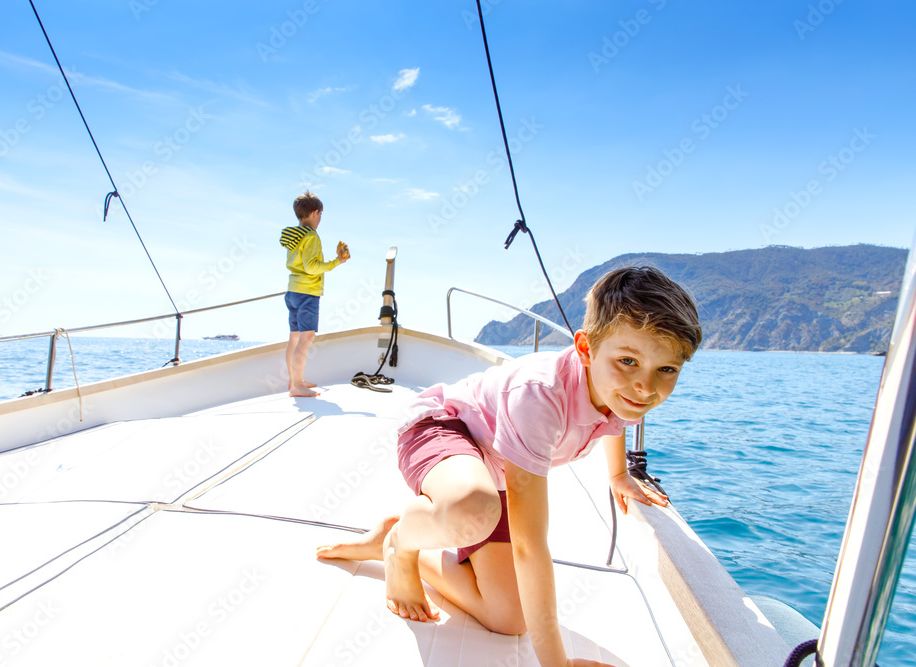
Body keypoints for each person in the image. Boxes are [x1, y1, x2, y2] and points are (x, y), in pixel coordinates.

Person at [316, 266, 701, 667]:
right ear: (585, 349)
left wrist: (618, 475)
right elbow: (529, 545)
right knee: (473, 507)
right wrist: (557, 663)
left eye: (667, 370)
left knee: (510, 618)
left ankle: (391, 535)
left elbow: (617, 421)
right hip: (442, 427)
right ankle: (402, 544)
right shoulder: (539, 397)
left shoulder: (623, 390)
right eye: (628, 361)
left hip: (496, 469)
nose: (646, 387)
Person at [280, 191, 349, 397]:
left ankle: (294, 380)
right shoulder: (311, 236)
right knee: (306, 338)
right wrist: (337, 262)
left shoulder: (295, 236)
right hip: (307, 293)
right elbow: (311, 267)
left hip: (293, 291)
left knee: (294, 338)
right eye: (320, 215)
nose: (320, 219)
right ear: (314, 213)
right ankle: (296, 386)